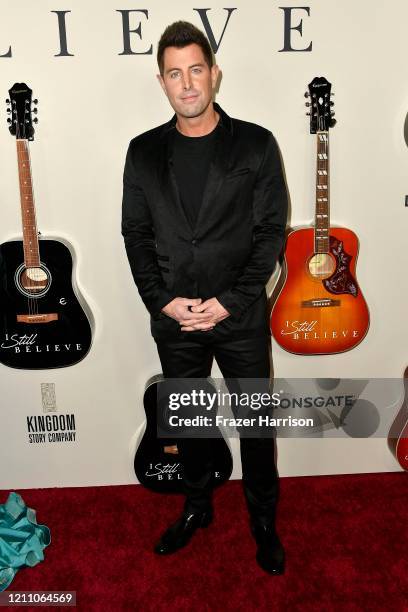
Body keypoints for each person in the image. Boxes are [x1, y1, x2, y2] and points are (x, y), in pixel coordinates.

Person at [121, 21, 288, 575]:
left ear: (214, 74)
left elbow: (270, 234)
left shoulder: (257, 144)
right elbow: (136, 234)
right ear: (162, 82)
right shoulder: (143, 153)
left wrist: (231, 302)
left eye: (196, 69)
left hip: (238, 319)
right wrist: (162, 301)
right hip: (176, 321)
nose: (187, 83)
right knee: (189, 426)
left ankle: (263, 519)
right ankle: (197, 508)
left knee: (256, 428)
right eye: (175, 73)